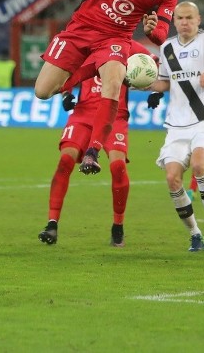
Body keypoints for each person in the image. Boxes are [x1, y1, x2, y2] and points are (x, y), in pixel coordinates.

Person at [10, 0, 197, 176]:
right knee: (43, 91)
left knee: (112, 83)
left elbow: (161, 34)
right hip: (81, 28)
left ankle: (93, 152)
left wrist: (152, 32)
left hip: (115, 40)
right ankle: (83, 74)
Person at [37, 42, 154, 248]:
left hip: (114, 116)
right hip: (83, 114)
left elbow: (151, 65)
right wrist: (66, 95)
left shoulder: (129, 45)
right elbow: (65, 69)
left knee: (118, 167)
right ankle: (52, 224)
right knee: (65, 160)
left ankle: (118, 226)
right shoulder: (85, 42)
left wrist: (154, 89)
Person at [145, 2, 204, 251]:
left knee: (199, 164)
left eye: (189, 17)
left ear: (198, 19)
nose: (185, 22)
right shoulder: (167, 48)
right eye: (180, 18)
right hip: (176, 126)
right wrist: (141, 83)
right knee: (172, 178)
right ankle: (195, 234)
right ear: (174, 21)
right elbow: (164, 83)